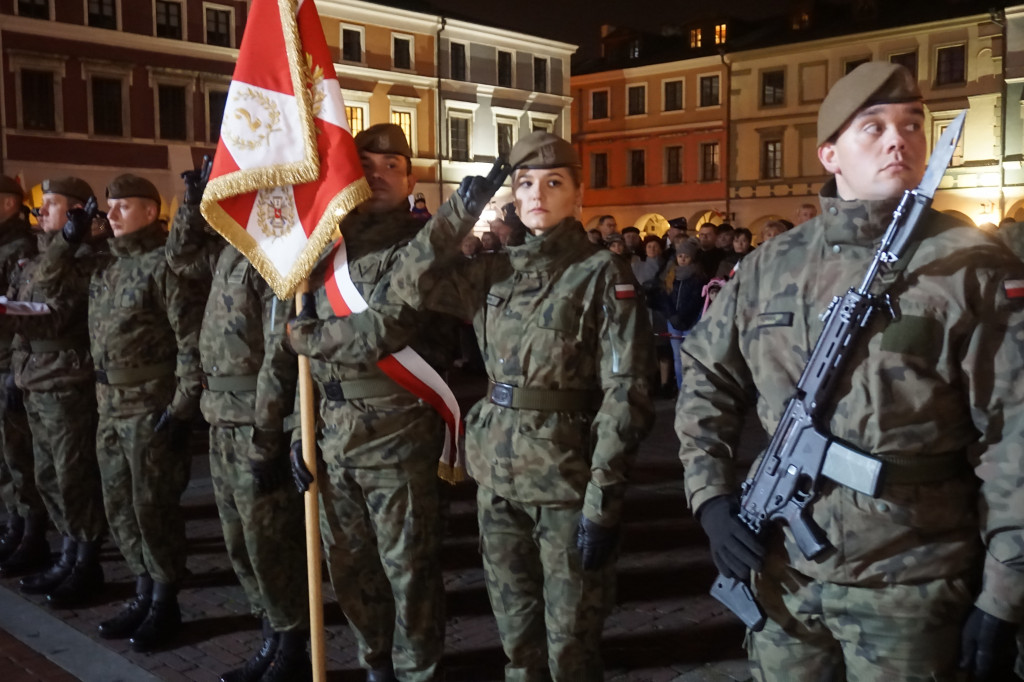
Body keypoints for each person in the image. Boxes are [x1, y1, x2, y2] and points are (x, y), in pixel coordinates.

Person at [676, 61, 1024, 681]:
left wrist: (1004, 590)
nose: (900, 139)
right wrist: (710, 497)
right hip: (783, 577)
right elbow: (706, 372)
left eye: (913, 124)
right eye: (874, 127)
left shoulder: (970, 264)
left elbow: (1015, 434)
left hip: (912, 584)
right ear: (830, 154)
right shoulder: (771, 264)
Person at [390, 130, 656, 681]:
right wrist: (461, 208)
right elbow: (407, 282)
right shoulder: (493, 272)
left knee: (570, 647)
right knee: (517, 642)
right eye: (525, 183)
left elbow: (626, 392)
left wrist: (603, 498)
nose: (537, 194)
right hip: (497, 478)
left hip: (567, 483)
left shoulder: (602, 273)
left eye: (554, 183)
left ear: (578, 196)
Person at [287, 123, 458, 682]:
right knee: (348, 566)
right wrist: (298, 430)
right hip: (333, 436)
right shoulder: (323, 248)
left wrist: (302, 336)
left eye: (393, 165)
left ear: (410, 178)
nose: (380, 174)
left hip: (399, 432)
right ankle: (375, 662)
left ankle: (417, 671)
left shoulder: (423, 246)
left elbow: (382, 329)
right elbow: (307, 368)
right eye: (368, 163)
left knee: (408, 569)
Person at [166, 160, 310, 681]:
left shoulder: (276, 260)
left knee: (268, 541)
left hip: (255, 422)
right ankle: (269, 629)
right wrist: (191, 202)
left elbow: (280, 354)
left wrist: (270, 437)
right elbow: (179, 258)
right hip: (221, 419)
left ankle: (292, 639)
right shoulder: (228, 252)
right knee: (237, 540)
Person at [68, 174, 204, 652]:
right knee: (119, 506)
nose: (113, 214)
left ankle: (165, 601)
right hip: (109, 407)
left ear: (151, 212)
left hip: (150, 407)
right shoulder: (104, 269)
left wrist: (183, 407)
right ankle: (142, 590)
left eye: (124, 206)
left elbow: (190, 342)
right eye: (111, 206)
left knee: (153, 509)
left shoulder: (163, 266)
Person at [6, 176, 107, 608]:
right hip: (34, 377)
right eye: (41, 203)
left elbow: (51, 298)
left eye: (52, 204)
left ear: (79, 212)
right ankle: (66, 554)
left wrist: (69, 242)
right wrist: (15, 372)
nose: (42, 210)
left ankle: (86, 561)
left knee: (73, 477)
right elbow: (17, 320)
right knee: (46, 475)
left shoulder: (86, 259)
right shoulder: (33, 259)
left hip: (67, 381)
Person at [0, 175, 43, 575]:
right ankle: (14, 523)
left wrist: (16, 369)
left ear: (10, 203)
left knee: (18, 453)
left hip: (9, 362)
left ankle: (31, 528)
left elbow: (21, 310)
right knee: (4, 454)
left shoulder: (20, 247)